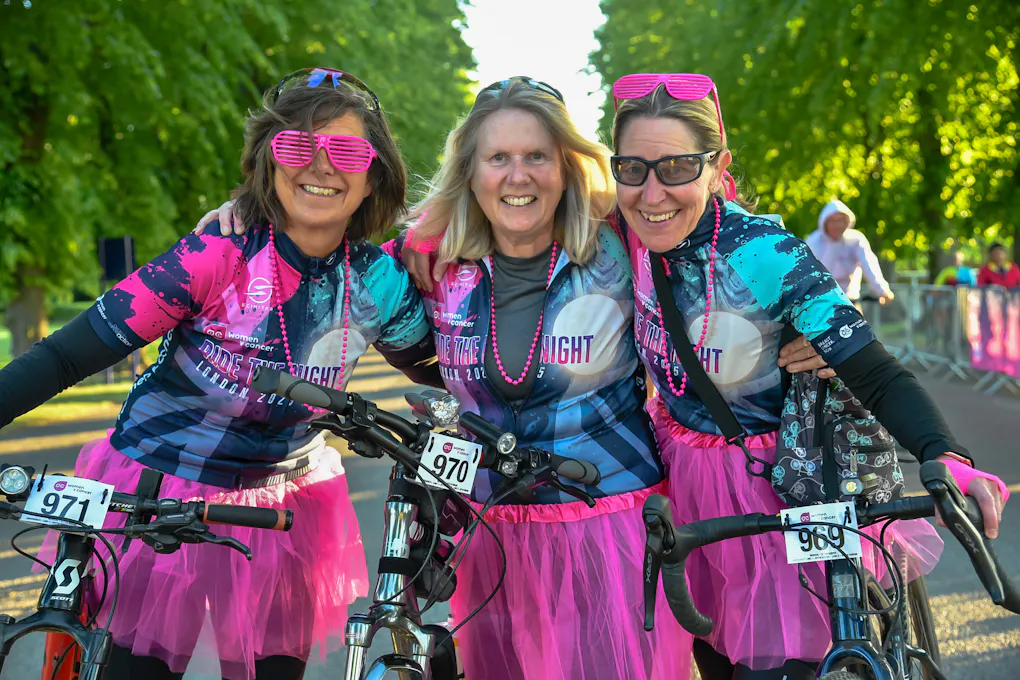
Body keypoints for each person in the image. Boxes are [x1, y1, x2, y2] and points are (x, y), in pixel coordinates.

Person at [0, 67, 440, 680]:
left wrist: (443, 240)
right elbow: (64, 357)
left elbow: (453, 370)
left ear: (373, 177)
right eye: (295, 147)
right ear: (268, 164)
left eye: (345, 149)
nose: (320, 165)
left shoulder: (378, 283)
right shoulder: (215, 256)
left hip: (286, 508)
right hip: (154, 492)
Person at [606, 73, 1010, 679]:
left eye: (678, 168)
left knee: (785, 665)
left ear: (719, 168)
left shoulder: (761, 252)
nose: (653, 191)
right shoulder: (624, 234)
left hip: (791, 479)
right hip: (687, 484)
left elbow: (874, 372)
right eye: (633, 169)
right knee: (716, 661)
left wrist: (946, 455)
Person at [806, 198, 895, 304]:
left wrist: (882, 290)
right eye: (833, 221)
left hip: (849, 301)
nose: (837, 225)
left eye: (840, 220)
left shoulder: (855, 240)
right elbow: (807, 271)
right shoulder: (814, 241)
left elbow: (868, 263)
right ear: (825, 222)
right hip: (821, 302)